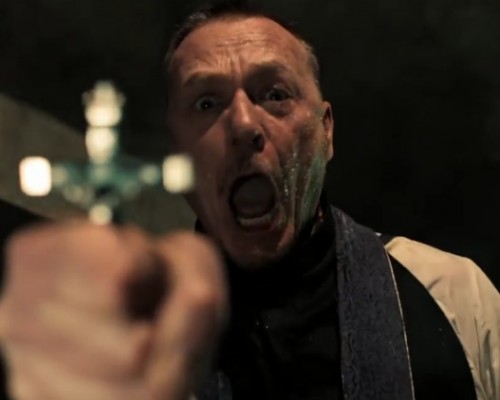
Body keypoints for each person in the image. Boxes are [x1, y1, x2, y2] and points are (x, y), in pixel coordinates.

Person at [0, 1, 498, 400]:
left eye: (275, 94)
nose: (242, 124)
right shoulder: (129, 334)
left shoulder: (452, 295)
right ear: (177, 155)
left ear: (326, 131)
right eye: (206, 103)